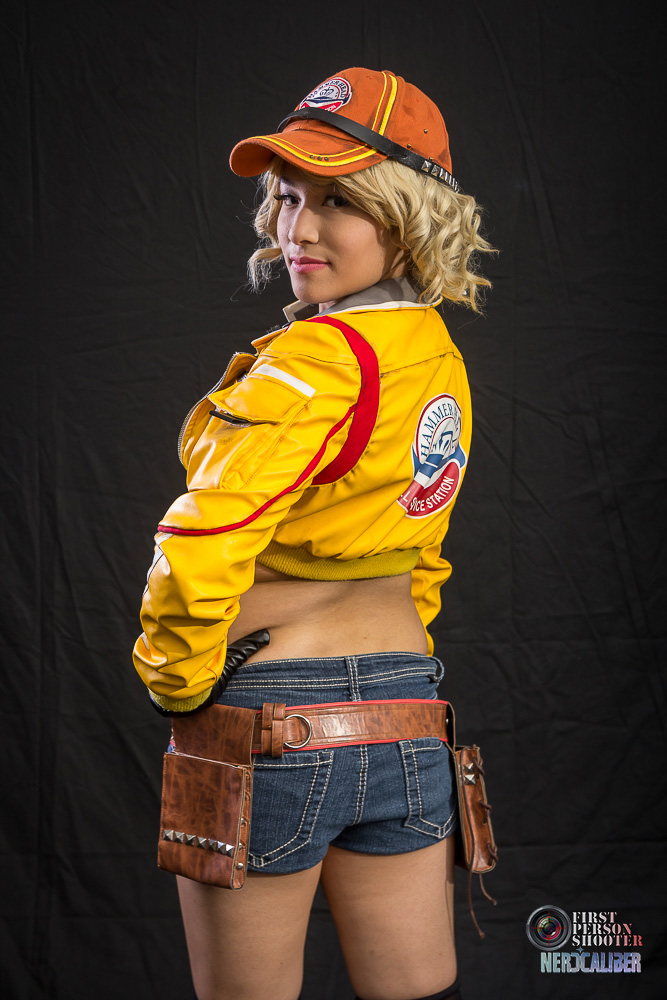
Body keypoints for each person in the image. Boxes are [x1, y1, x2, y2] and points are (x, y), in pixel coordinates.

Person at [133, 67, 494, 1000]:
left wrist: (177, 680)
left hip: (268, 724)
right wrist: (401, 653)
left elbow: (204, 532)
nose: (298, 229)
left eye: (339, 201)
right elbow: (421, 543)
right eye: (289, 196)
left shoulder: (312, 361)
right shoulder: (437, 358)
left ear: (407, 216)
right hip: (408, 714)